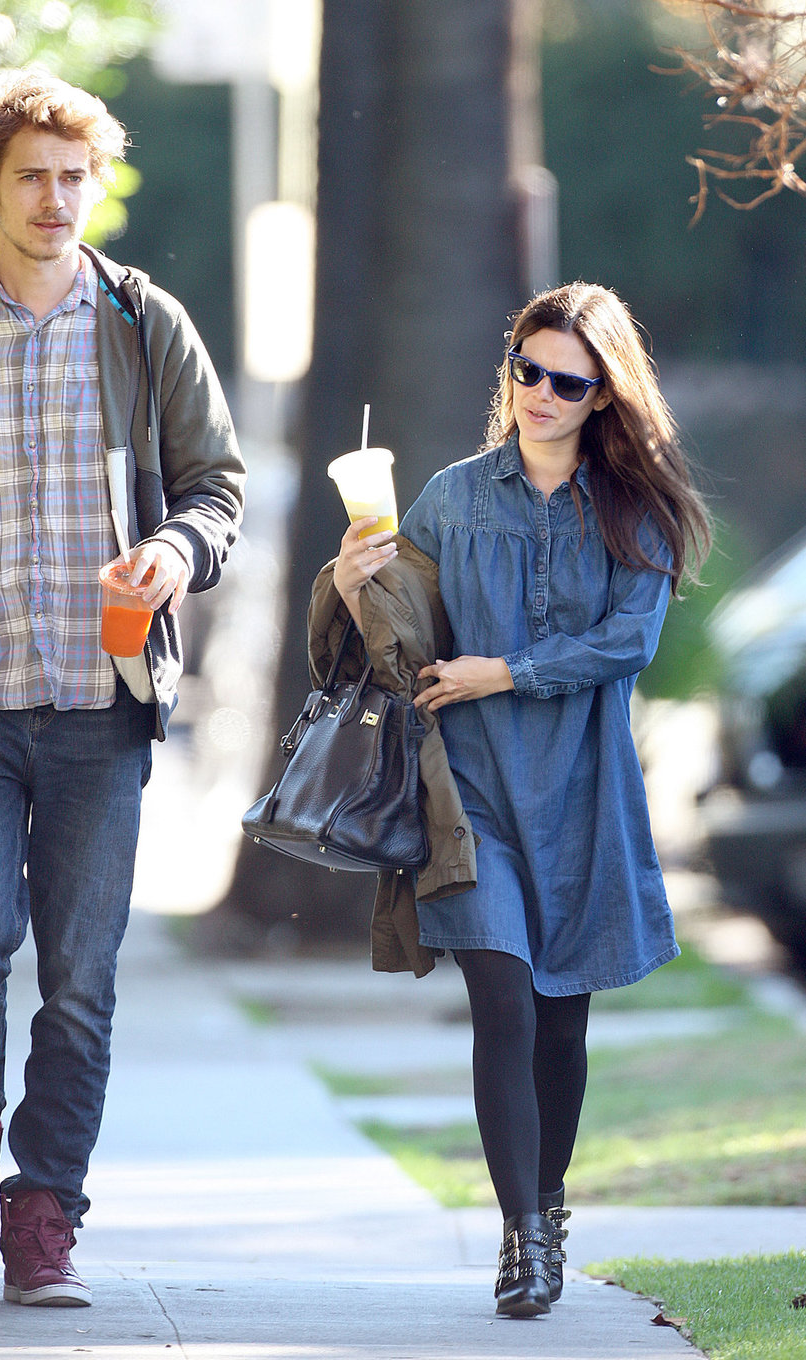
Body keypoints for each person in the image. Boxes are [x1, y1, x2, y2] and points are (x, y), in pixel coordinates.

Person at [0, 72, 245, 1308]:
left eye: (75, 176)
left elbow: (215, 490)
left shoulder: (142, 323)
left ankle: (44, 1211)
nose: (56, 198)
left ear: (93, 182)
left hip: (99, 704)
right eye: (32, 177)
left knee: (79, 971)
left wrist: (175, 552)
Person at [330, 282, 710, 1318]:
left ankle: (546, 1204)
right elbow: (393, 643)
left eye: (566, 381)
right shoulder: (451, 498)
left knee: (558, 1025)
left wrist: (504, 669)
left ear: (602, 396)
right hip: (469, 800)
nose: (539, 392)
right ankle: (523, 1243)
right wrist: (355, 576)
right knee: (501, 1003)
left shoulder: (633, 508)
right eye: (525, 370)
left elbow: (627, 641)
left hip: (583, 798)